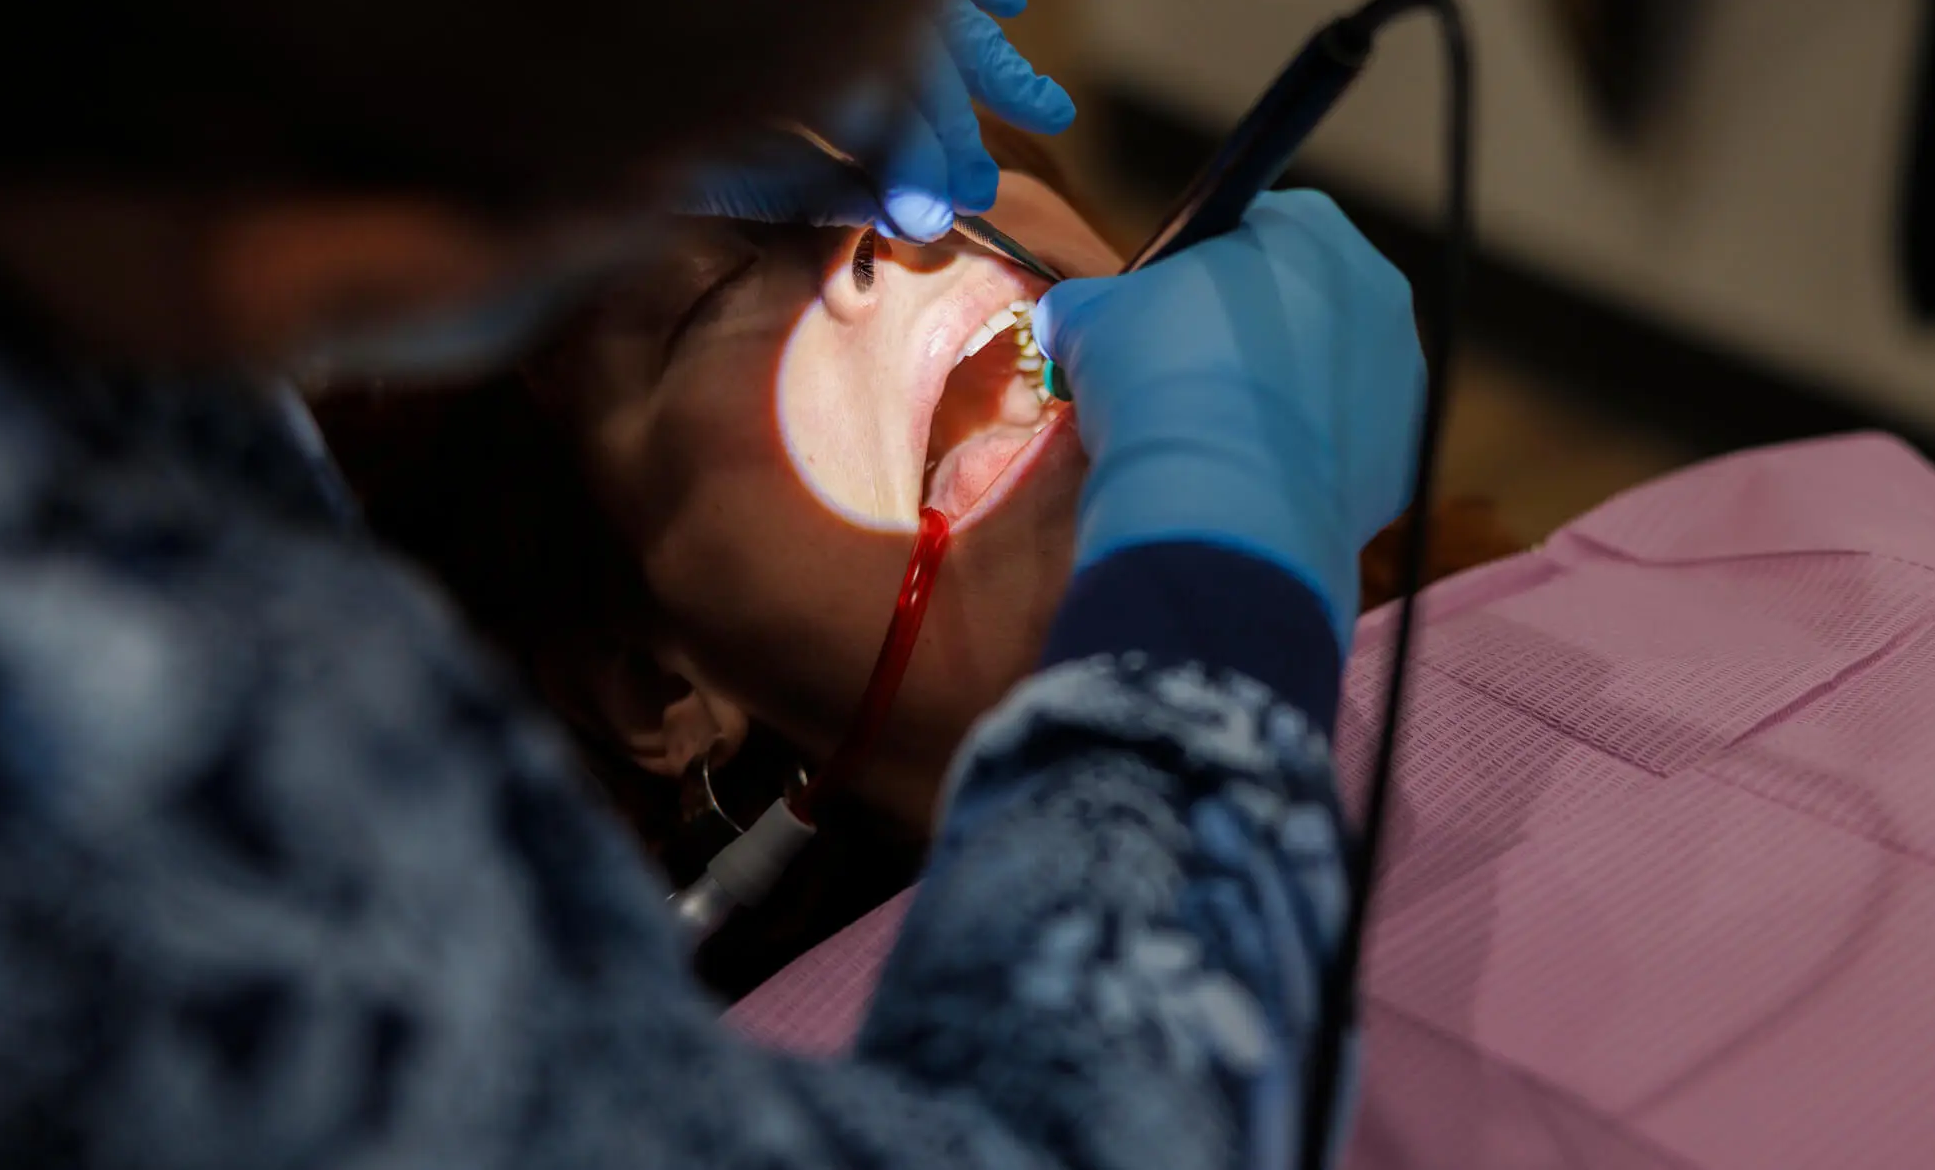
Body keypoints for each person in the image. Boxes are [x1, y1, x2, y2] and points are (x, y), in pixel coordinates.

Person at [0, 0, 1427, 1170]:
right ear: (651, 682)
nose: (901, 240)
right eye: (683, 288)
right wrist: (1217, 579)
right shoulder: (91, 757)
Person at [310, 124, 1519, 995]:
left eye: (902, 157)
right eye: (712, 295)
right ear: (656, 684)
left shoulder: (1606, 613)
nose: (883, 233)